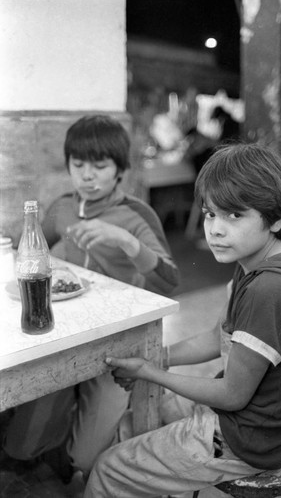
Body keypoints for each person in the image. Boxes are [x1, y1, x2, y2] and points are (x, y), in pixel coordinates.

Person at [84, 143, 281, 498]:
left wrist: (147, 371)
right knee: (132, 423)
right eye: (209, 213)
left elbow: (232, 395)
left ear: (277, 218)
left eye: (234, 216)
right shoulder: (266, 261)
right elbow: (216, 337)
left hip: (249, 441)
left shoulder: (273, 291)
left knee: (109, 467)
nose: (215, 229)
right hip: (255, 424)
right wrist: (159, 358)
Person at [3, 114, 180, 478]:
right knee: (22, 444)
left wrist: (127, 242)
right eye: (78, 164)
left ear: (119, 171)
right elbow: (31, 247)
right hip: (64, 335)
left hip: (116, 344)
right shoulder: (62, 207)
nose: (87, 175)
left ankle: (85, 451)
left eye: (99, 166)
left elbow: (169, 280)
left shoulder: (135, 214)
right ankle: (46, 446)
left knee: (84, 459)